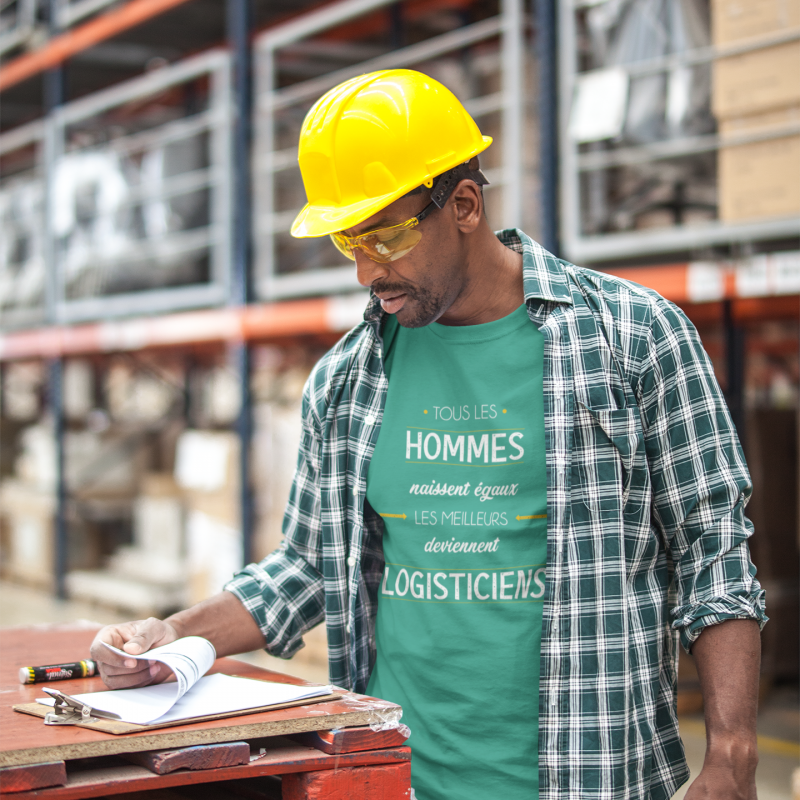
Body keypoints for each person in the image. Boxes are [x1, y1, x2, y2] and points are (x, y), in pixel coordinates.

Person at [91, 70, 766, 800]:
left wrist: (731, 758)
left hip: (590, 778)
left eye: (384, 236)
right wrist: (173, 634)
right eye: (348, 241)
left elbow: (712, 551)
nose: (365, 270)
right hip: (396, 781)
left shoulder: (634, 337)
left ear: (465, 205)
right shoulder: (347, 379)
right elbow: (310, 566)